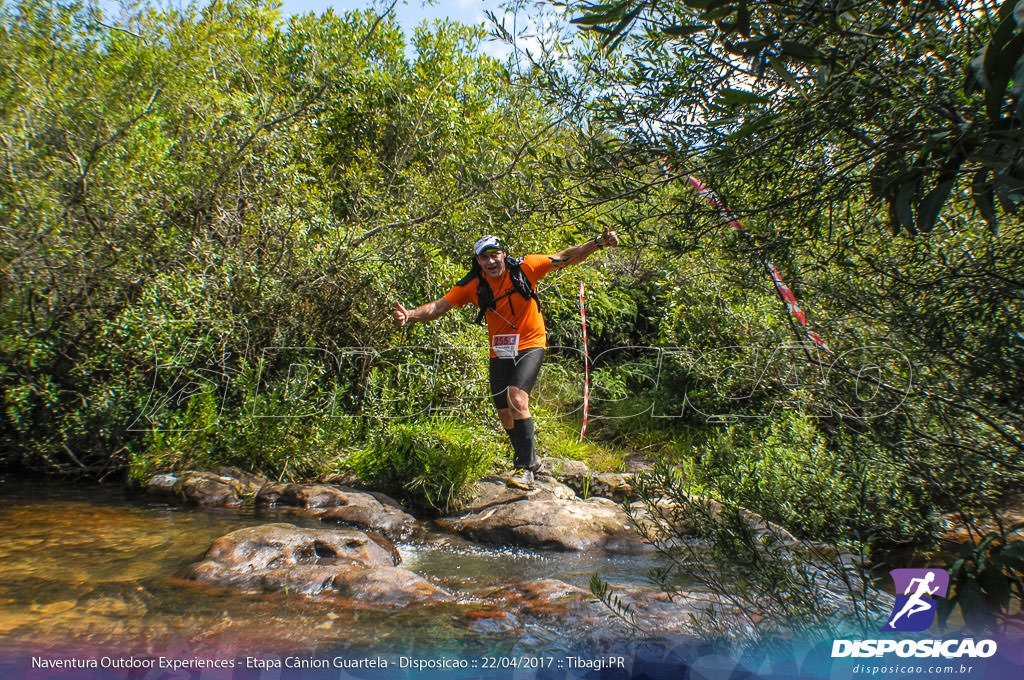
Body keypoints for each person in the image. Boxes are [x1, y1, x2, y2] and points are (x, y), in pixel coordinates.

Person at [392, 229, 620, 487]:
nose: (490, 262)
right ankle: (529, 459)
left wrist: (599, 243)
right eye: (483, 258)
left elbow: (566, 256)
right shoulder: (472, 285)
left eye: (494, 255)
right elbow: (438, 307)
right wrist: (409, 314)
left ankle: (524, 468)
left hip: (532, 341)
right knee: (504, 412)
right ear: (478, 262)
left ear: (503, 254)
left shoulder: (526, 267)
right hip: (500, 349)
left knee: (516, 398)